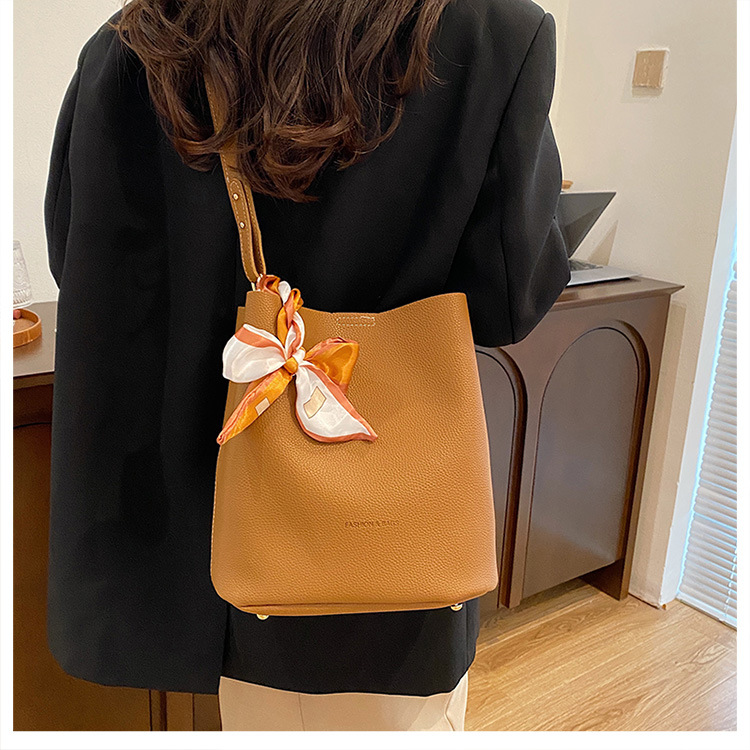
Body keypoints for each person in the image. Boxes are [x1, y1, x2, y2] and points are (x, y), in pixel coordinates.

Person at [44, 0, 570, 731]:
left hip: (194, 544)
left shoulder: (133, 43)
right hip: (383, 552)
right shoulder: (489, 33)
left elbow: (80, 261)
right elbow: (512, 297)